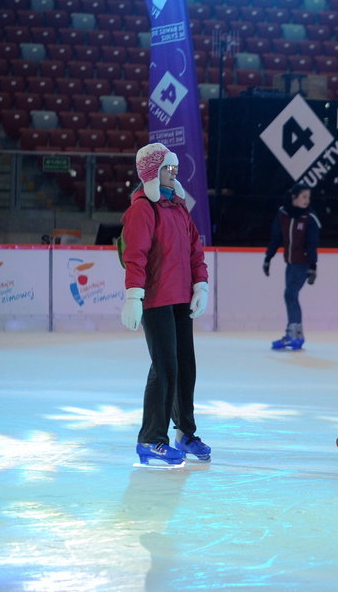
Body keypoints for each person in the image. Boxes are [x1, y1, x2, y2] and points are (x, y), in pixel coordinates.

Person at [120, 143, 210, 468]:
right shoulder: (143, 209)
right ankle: (150, 439)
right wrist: (134, 295)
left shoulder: (179, 207)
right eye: (168, 169)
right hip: (156, 300)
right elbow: (135, 256)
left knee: (185, 368)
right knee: (165, 368)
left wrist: (200, 284)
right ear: (153, 173)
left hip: (180, 299)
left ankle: (184, 432)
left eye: (175, 169)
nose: (174, 174)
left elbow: (194, 250)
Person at [263, 182, 321, 350]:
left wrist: (313, 266)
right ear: (293, 197)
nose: (306, 200)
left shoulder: (310, 217)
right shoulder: (283, 214)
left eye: (308, 197)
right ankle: (293, 334)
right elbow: (276, 237)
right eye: (303, 197)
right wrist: (268, 257)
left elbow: (312, 243)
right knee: (290, 296)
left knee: (290, 294)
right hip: (290, 263)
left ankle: (295, 334)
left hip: (302, 264)